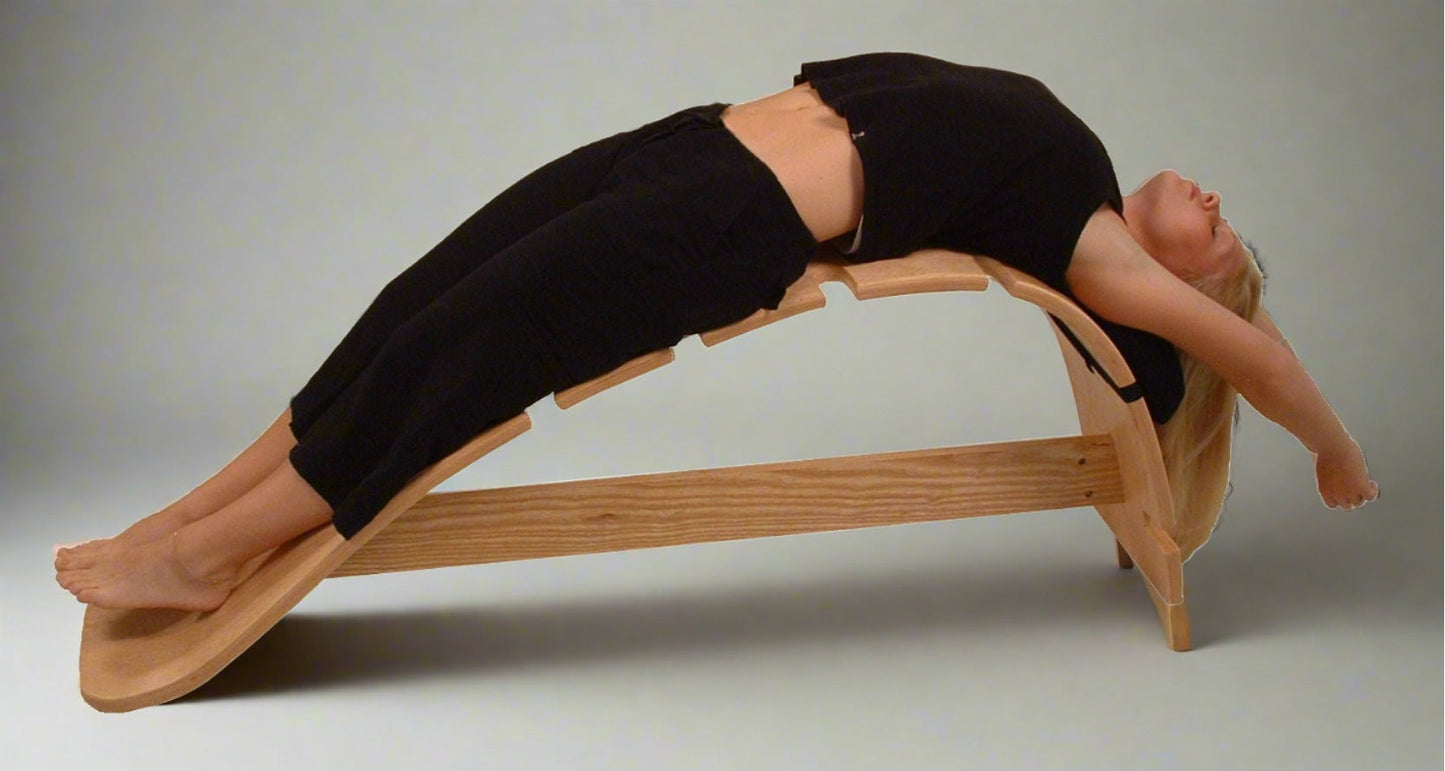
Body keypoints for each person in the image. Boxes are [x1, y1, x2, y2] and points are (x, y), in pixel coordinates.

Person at [54, 53, 1378, 612]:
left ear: (1189, 292)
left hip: (719, 223)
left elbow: (1257, 362)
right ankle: (187, 519)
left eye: (1227, 248)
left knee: (456, 363)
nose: (1216, 208)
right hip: (693, 144)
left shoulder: (1096, 249)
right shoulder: (1080, 163)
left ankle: (208, 562)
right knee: (414, 306)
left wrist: (1332, 449)